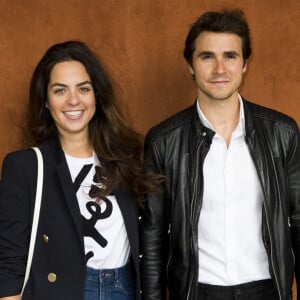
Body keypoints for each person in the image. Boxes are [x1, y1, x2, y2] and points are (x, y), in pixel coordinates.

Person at [140, 9, 300, 300]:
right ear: (190, 65)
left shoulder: (282, 133)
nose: (219, 69)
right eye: (207, 57)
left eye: (230, 56)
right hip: (196, 291)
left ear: (244, 64)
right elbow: (152, 236)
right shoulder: (163, 141)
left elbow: (299, 220)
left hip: (266, 289)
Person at [0, 40, 158, 300]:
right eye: (60, 90)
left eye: (83, 88)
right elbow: (9, 259)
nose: (73, 100)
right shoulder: (25, 166)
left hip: (123, 289)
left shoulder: (126, 158)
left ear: (97, 95)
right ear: (45, 101)